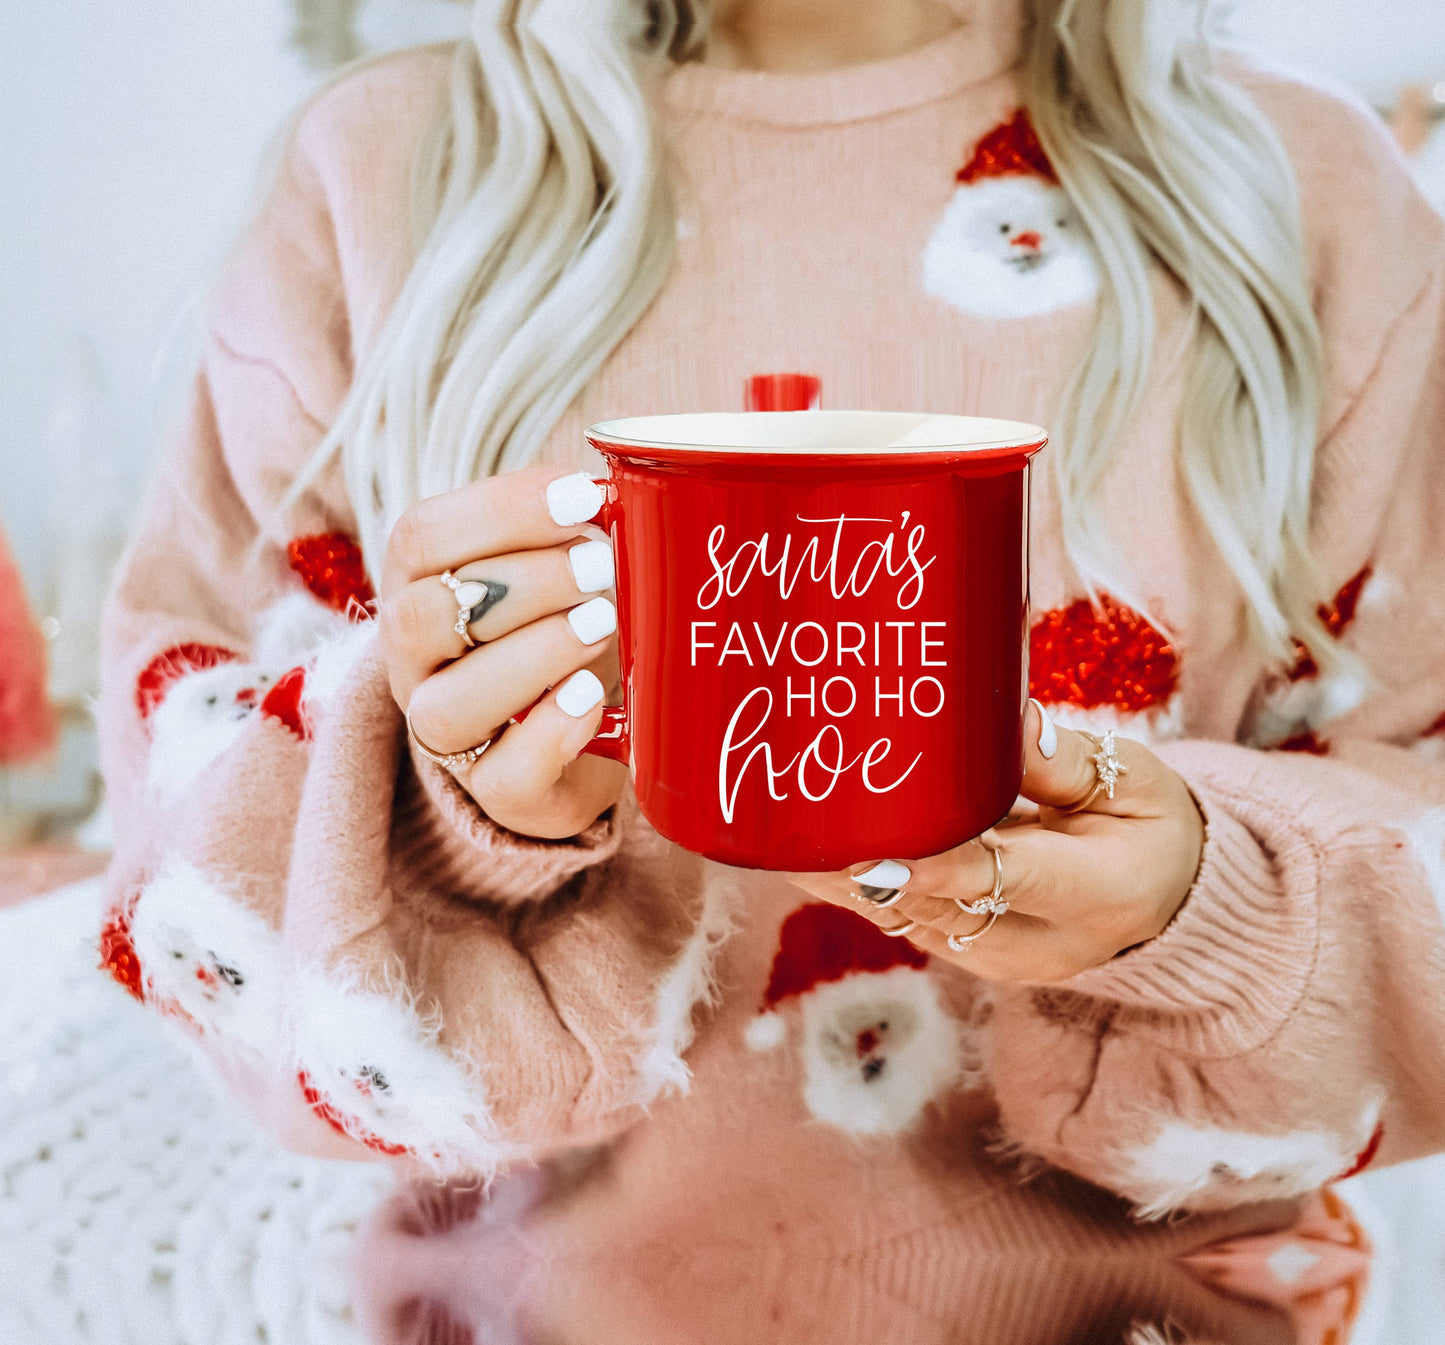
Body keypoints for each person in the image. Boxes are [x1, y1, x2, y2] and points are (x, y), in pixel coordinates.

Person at [99, 0, 1445, 1239]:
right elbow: (209, 941)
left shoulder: (1296, 193)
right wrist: (446, 830)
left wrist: (1211, 909)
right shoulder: (384, 180)